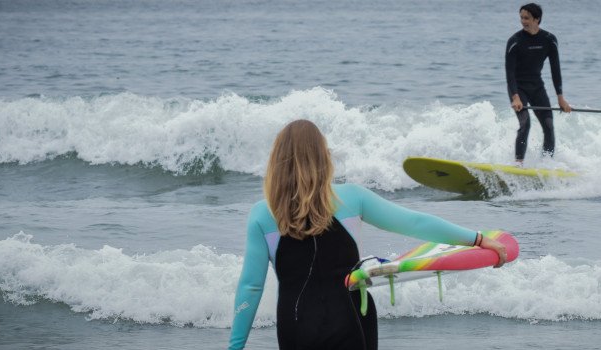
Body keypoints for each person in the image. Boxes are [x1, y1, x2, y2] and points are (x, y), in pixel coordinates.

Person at [228, 119, 508, 350]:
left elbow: (251, 287)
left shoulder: (262, 215)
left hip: (296, 325)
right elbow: (415, 223)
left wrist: (235, 346)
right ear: (324, 157)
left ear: (277, 162)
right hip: (351, 321)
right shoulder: (353, 198)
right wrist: (478, 239)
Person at [505, 3, 572, 166]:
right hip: (518, 90)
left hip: (537, 87)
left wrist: (561, 99)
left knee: (549, 126)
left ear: (537, 19)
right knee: (525, 123)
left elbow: (555, 70)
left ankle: (546, 164)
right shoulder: (515, 41)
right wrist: (515, 97)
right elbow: (510, 73)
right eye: (521, 17)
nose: (523, 21)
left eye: (526, 18)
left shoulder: (549, 40)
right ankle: (519, 164)